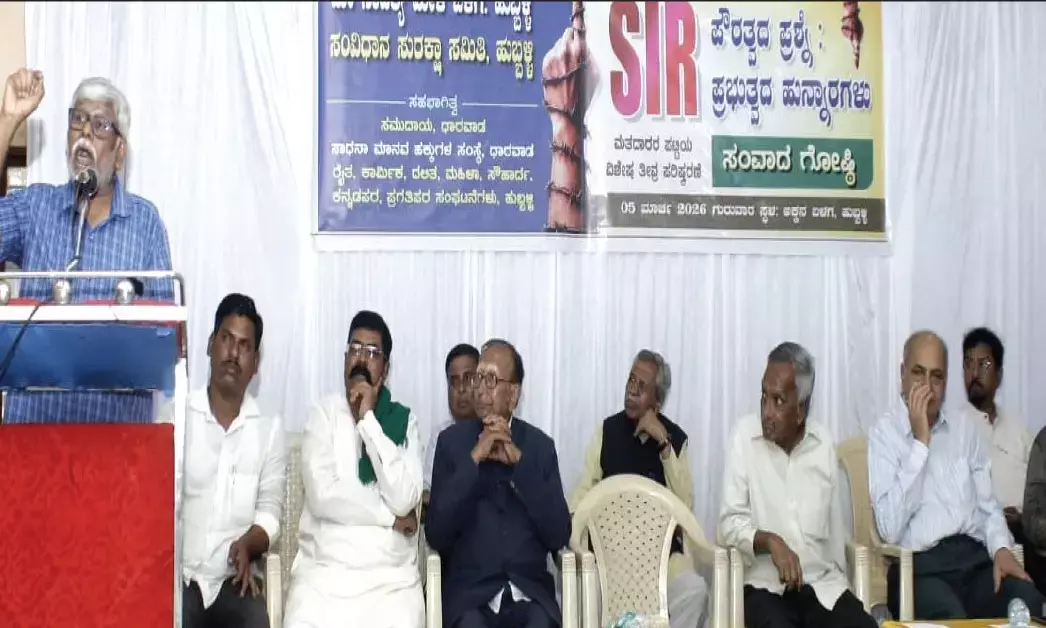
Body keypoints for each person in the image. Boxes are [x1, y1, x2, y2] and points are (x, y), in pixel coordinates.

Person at [0, 68, 174, 423]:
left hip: (114, 437)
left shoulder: (145, 223)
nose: (85, 133)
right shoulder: (36, 207)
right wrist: (8, 119)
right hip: (35, 434)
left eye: (100, 125)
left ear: (120, 151)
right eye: (78, 120)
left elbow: (165, 335)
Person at [868, 330, 1042, 619]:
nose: (927, 387)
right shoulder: (885, 433)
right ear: (902, 374)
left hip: (974, 562)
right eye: (918, 373)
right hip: (920, 570)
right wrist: (920, 444)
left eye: (937, 377)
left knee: (1029, 603)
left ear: (946, 382)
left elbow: (988, 506)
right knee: (951, 617)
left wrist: (1001, 547)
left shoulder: (964, 429)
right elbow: (889, 528)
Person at [719, 342, 877, 628]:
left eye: (778, 401)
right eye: (764, 396)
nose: (767, 411)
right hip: (765, 588)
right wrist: (770, 541)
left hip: (820, 587)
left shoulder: (822, 444)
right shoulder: (744, 437)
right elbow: (728, 524)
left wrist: (845, 597)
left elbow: (834, 535)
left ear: (801, 409)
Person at [284, 310, 425, 628]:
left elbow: (404, 498)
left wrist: (368, 421)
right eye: (355, 349)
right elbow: (324, 496)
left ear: (385, 369)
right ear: (345, 358)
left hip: (391, 582)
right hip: (325, 577)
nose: (361, 358)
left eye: (372, 352)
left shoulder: (404, 421)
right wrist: (389, 518)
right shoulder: (323, 414)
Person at [426, 338, 571, 628]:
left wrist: (520, 464)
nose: (480, 389)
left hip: (529, 594)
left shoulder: (539, 447)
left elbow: (559, 535)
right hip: (470, 598)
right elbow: (436, 534)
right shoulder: (451, 444)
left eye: (491, 380)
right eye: (478, 378)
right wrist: (474, 459)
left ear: (513, 394)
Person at [569, 349, 708, 628]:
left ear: (657, 401)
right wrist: (576, 530)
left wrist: (664, 445)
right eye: (630, 380)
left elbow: (685, 506)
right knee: (584, 592)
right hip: (610, 559)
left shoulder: (675, 439)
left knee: (695, 591)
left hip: (662, 564)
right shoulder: (607, 431)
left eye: (641, 387)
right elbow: (582, 495)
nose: (631, 390)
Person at [175, 294, 286, 628]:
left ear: (255, 363)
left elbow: (270, 513)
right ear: (210, 344)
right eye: (226, 339)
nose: (233, 353)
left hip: (233, 581)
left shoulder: (269, 429)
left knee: (255, 619)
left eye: (244, 346)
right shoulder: (178, 416)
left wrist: (249, 544)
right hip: (179, 578)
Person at [962, 328, 1032, 539]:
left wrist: (1025, 518)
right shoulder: (955, 428)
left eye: (983, 364)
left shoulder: (1018, 427)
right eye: (968, 364)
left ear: (999, 376)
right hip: (982, 537)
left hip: (1028, 531)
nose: (974, 373)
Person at [425, 343, 480, 500]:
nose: (461, 389)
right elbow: (429, 495)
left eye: (468, 379)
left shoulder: (497, 432)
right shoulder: (440, 436)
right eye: (454, 381)